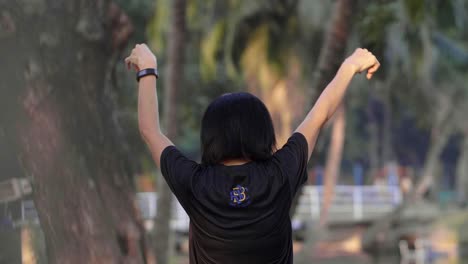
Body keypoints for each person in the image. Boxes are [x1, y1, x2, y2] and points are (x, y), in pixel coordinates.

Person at [125, 44, 380, 264]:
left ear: (210, 136)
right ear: (263, 133)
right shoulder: (280, 173)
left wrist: (148, 68)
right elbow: (320, 115)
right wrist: (349, 66)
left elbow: (150, 130)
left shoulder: (196, 183)